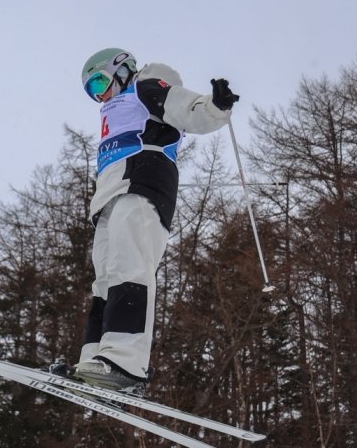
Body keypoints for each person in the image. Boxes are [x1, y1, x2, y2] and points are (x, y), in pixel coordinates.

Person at [64, 48, 239, 392]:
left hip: (143, 180)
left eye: (99, 83)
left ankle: (126, 362)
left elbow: (188, 109)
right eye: (92, 92)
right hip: (110, 196)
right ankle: (95, 359)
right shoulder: (114, 110)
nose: (100, 96)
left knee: (130, 266)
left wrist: (216, 106)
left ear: (121, 70)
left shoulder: (145, 88)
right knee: (105, 279)